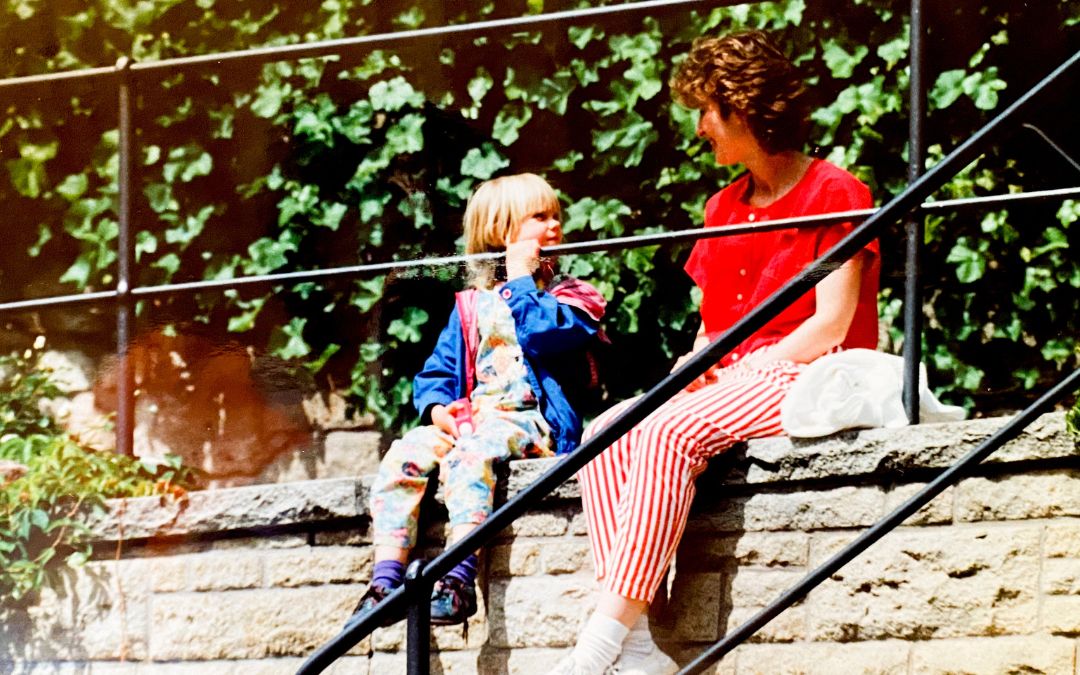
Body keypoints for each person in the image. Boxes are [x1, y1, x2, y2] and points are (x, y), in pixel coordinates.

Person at [553, 30, 879, 675]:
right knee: (609, 430)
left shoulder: (836, 191)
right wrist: (692, 368)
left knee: (669, 432)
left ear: (744, 107)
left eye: (707, 109)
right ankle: (641, 649)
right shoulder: (722, 205)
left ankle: (596, 649)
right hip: (733, 372)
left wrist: (754, 365)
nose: (699, 127)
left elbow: (832, 322)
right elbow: (712, 327)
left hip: (809, 368)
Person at [349, 173, 606, 627]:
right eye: (540, 217)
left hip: (533, 424)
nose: (554, 225)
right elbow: (436, 372)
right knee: (402, 454)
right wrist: (438, 409)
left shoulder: (572, 296)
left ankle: (458, 579)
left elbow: (546, 335)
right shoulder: (471, 305)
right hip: (476, 422)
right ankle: (385, 580)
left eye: (556, 216)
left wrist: (524, 280)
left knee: (470, 456)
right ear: (501, 234)